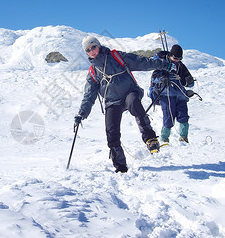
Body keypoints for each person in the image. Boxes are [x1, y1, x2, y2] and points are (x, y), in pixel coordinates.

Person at [74, 36, 173, 173]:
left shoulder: (116, 56)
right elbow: (89, 95)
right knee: (111, 132)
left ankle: (150, 139)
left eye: (93, 47)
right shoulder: (93, 72)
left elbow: (142, 62)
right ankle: (120, 167)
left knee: (134, 104)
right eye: (88, 50)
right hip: (112, 102)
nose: (92, 51)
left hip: (129, 93)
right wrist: (81, 113)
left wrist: (163, 64)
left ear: (98, 46)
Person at [149, 44, 194, 143]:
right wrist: (162, 79)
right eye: (175, 58)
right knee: (168, 117)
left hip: (180, 95)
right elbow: (154, 78)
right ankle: (164, 139)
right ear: (170, 55)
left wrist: (189, 81)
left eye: (179, 58)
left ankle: (184, 137)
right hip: (165, 95)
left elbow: (190, 83)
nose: (177, 60)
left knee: (184, 116)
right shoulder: (162, 63)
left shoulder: (181, 66)